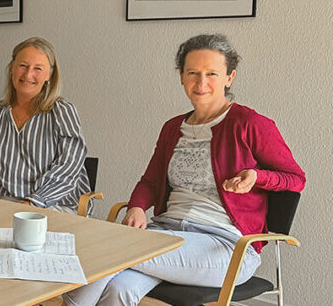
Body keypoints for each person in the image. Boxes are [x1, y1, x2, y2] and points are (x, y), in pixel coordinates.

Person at [62, 34, 306, 306]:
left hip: (225, 246)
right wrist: (137, 207)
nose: (201, 83)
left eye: (212, 73)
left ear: (229, 77)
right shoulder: (172, 128)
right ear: (181, 76)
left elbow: (296, 179)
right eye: (193, 73)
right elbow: (151, 182)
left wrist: (257, 176)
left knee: (109, 252)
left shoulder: (250, 123)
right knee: (119, 288)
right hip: (167, 231)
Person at [0, 37, 89, 213]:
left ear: (49, 75)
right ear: (12, 69)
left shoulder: (62, 112)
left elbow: (68, 169)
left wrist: (30, 204)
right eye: (23, 66)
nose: (28, 75)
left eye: (38, 69)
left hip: (50, 208)